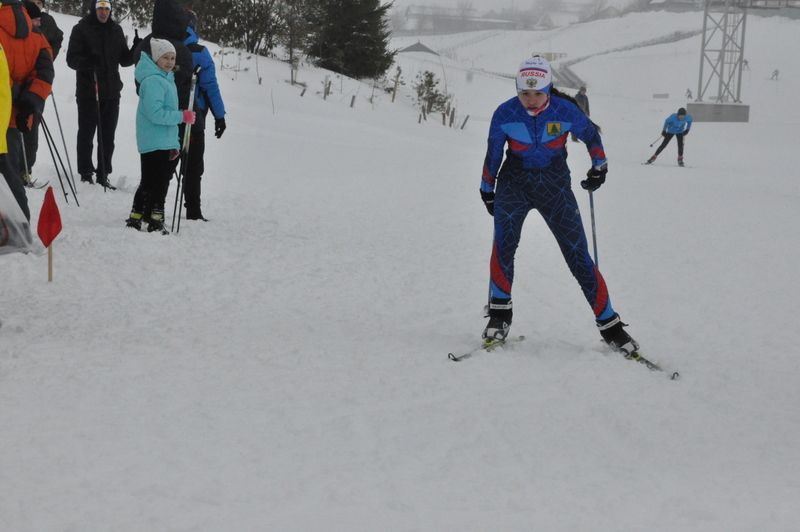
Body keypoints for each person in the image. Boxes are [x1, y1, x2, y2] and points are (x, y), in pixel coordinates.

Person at [479, 55, 639, 355]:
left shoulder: (566, 110)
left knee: (577, 254)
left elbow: (591, 135)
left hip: (554, 187)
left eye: (538, 92)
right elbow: (492, 153)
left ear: (548, 89)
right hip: (514, 184)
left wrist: (599, 166)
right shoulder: (505, 113)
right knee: (503, 246)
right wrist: (487, 188)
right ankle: (499, 315)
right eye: (524, 93)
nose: (530, 99)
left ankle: (611, 326)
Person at [125, 39, 195, 233]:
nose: (170, 62)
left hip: (164, 140)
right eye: (165, 57)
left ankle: (155, 217)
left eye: (172, 58)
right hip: (153, 140)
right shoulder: (153, 81)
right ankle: (136, 216)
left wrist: (174, 141)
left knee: (160, 182)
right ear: (156, 59)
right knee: (150, 181)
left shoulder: (166, 79)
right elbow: (154, 113)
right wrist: (181, 116)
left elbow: (164, 110)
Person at [66, 0, 135, 187]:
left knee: (107, 136)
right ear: (94, 9)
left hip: (112, 92)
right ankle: (86, 172)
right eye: (100, 9)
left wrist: (136, 49)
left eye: (106, 9)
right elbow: (71, 59)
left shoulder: (116, 30)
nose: (103, 12)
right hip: (89, 90)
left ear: (110, 10)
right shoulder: (81, 29)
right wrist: (87, 62)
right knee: (87, 133)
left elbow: (125, 60)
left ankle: (103, 173)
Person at [0, 0, 54, 219]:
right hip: (15, 116)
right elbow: (45, 72)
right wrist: (29, 101)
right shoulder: (37, 35)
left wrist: (14, 92)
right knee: (11, 173)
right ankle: (19, 224)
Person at [182, 10, 226, 221]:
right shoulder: (199, 51)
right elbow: (210, 87)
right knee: (193, 164)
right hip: (194, 115)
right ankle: (193, 210)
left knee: (165, 160)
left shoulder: (163, 44)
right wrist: (220, 116)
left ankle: (154, 205)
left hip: (167, 113)